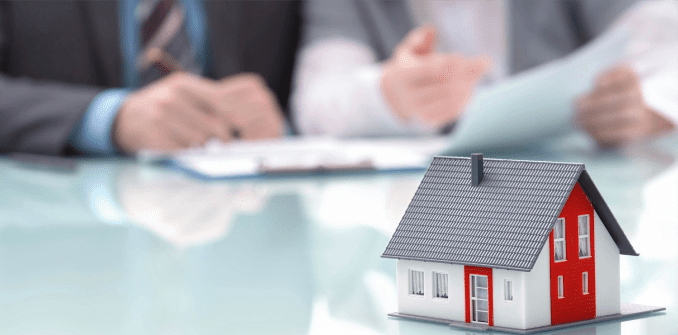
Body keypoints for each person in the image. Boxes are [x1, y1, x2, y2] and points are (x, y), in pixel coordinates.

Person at [292, 0, 677, 148]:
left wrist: (643, 105)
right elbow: (317, 99)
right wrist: (389, 94)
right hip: (427, 198)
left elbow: (663, 36)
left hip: (577, 179)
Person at [0, 0, 300, 155]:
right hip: (64, 237)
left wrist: (281, 124)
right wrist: (111, 119)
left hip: (240, 225)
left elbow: (316, 75)